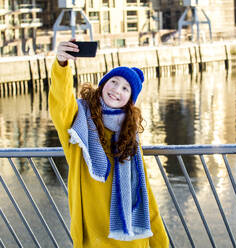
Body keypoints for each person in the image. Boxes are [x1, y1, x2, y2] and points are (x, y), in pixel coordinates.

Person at [49, 39, 169, 248]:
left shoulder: (129, 134)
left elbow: (144, 190)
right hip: (93, 238)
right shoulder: (78, 122)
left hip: (132, 239)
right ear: (103, 84)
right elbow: (60, 104)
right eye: (113, 81)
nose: (116, 90)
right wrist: (61, 65)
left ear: (130, 100)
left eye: (125, 88)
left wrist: (161, 242)